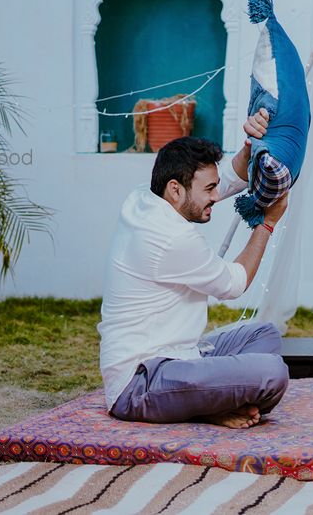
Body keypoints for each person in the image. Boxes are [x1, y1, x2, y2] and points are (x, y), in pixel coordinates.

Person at [99, 108, 290, 429]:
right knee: (273, 374)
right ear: (176, 189)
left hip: (183, 355)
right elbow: (235, 283)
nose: (217, 196)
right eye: (209, 190)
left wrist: (250, 148)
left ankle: (212, 402)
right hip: (141, 381)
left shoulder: (144, 199)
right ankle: (210, 403)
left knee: (264, 333)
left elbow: (227, 180)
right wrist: (267, 224)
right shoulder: (172, 238)